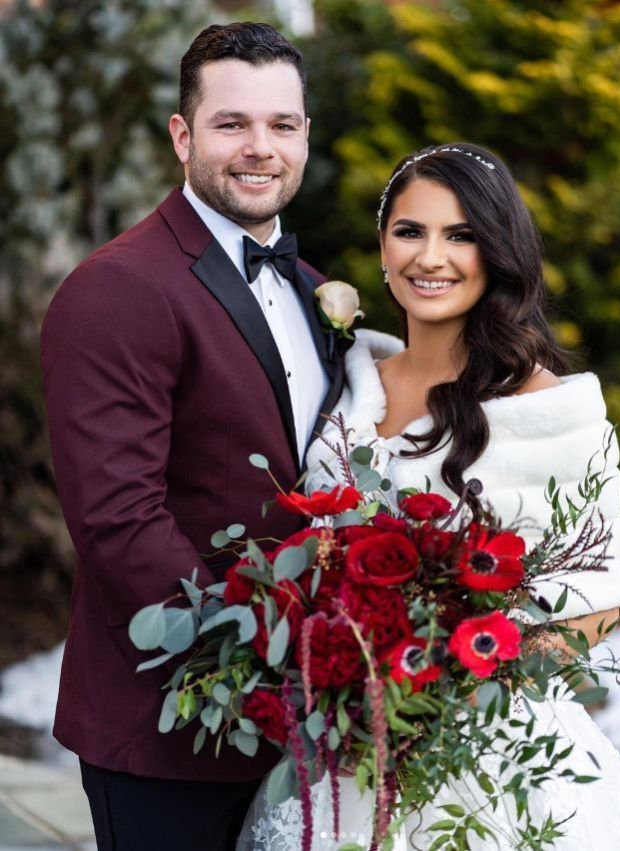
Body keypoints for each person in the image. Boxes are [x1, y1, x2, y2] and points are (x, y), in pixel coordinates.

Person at [236, 143, 620, 849]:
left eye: (460, 235)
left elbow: (596, 602)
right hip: (347, 750)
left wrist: (449, 691)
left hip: (485, 755)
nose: (429, 257)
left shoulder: (550, 411)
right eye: (409, 231)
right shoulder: (350, 384)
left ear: (497, 252)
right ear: (382, 247)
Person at [40, 22, 346, 851]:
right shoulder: (115, 289)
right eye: (230, 123)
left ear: (305, 136)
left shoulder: (317, 291)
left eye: (281, 125)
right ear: (182, 135)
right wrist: (251, 667)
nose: (260, 147)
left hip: (310, 724)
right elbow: (118, 519)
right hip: (171, 724)